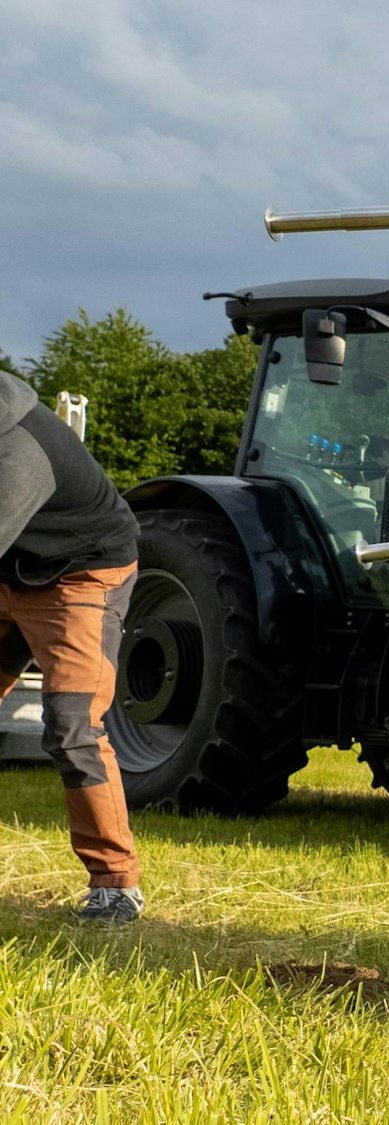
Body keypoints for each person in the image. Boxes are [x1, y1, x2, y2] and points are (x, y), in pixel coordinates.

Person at [0, 372, 144, 923]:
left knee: (72, 724)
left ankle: (114, 882)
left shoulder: (19, 454)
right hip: (10, 566)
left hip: (80, 572)